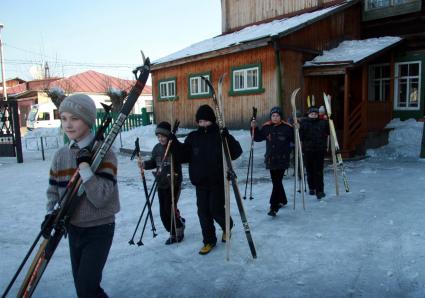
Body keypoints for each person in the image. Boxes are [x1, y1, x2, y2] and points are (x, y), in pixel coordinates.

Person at [43, 94, 119, 298]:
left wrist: (85, 168)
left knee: (87, 288)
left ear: (88, 120)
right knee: (82, 289)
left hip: (99, 229)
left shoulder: (105, 154)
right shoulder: (60, 155)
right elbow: (53, 190)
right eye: (64, 118)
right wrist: (50, 214)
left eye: (74, 118)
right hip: (73, 228)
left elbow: (101, 198)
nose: (68, 125)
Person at [174, 104, 242, 255]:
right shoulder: (193, 137)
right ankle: (209, 240)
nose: (203, 124)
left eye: (206, 121)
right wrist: (174, 144)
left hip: (218, 181)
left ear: (212, 120)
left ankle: (227, 226)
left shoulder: (220, 135)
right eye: (200, 121)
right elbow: (184, 156)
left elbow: (236, 152)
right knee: (203, 212)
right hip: (200, 183)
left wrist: (227, 137)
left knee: (216, 210)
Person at [140, 121, 185, 245]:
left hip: (173, 183)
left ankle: (178, 231)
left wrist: (174, 143)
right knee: (162, 211)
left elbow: (182, 156)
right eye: (158, 136)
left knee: (169, 209)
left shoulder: (174, 147)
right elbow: (154, 162)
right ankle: (172, 230)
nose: (160, 139)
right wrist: (145, 164)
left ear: (168, 136)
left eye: (163, 136)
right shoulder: (157, 148)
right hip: (161, 183)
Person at [251, 106, 294, 217]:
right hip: (271, 159)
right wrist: (253, 128)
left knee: (277, 182)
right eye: (273, 116)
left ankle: (273, 207)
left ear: (281, 117)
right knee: (276, 181)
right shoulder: (266, 127)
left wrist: (298, 129)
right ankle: (283, 200)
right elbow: (257, 138)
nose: (275, 118)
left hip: (283, 159)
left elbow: (295, 139)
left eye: (277, 116)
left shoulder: (287, 128)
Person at [299, 106, 329, 200]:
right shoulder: (304, 123)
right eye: (312, 114)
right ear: (308, 114)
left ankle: (320, 190)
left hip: (319, 150)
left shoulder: (322, 123)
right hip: (308, 150)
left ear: (318, 115)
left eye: (315, 114)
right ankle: (312, 187)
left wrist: (329, 122)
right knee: (309, 170)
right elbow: (301, 136)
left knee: (319, 171)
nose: (313, 115)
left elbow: (328, 131)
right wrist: (297, 128)